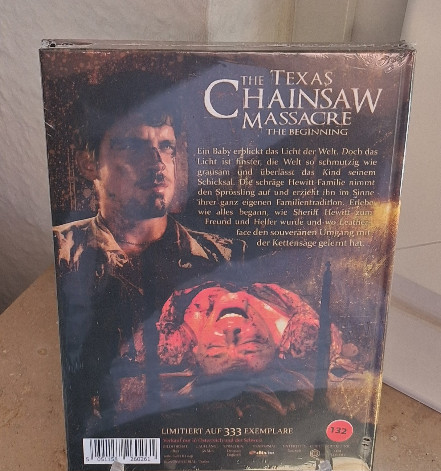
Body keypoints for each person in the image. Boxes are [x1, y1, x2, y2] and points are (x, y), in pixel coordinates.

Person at [53, 71, 245, 439]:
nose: (157, 162)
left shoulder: (225, 257)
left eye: (166, 146)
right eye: (133, 146)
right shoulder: (62, 254)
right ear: (89, 164)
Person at [156, 281, 369, 421]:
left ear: (195, 350)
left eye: (216, 348)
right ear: (275, 346)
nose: (232, 335)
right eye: (252, 343)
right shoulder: (301, 334)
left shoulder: (174, 342)